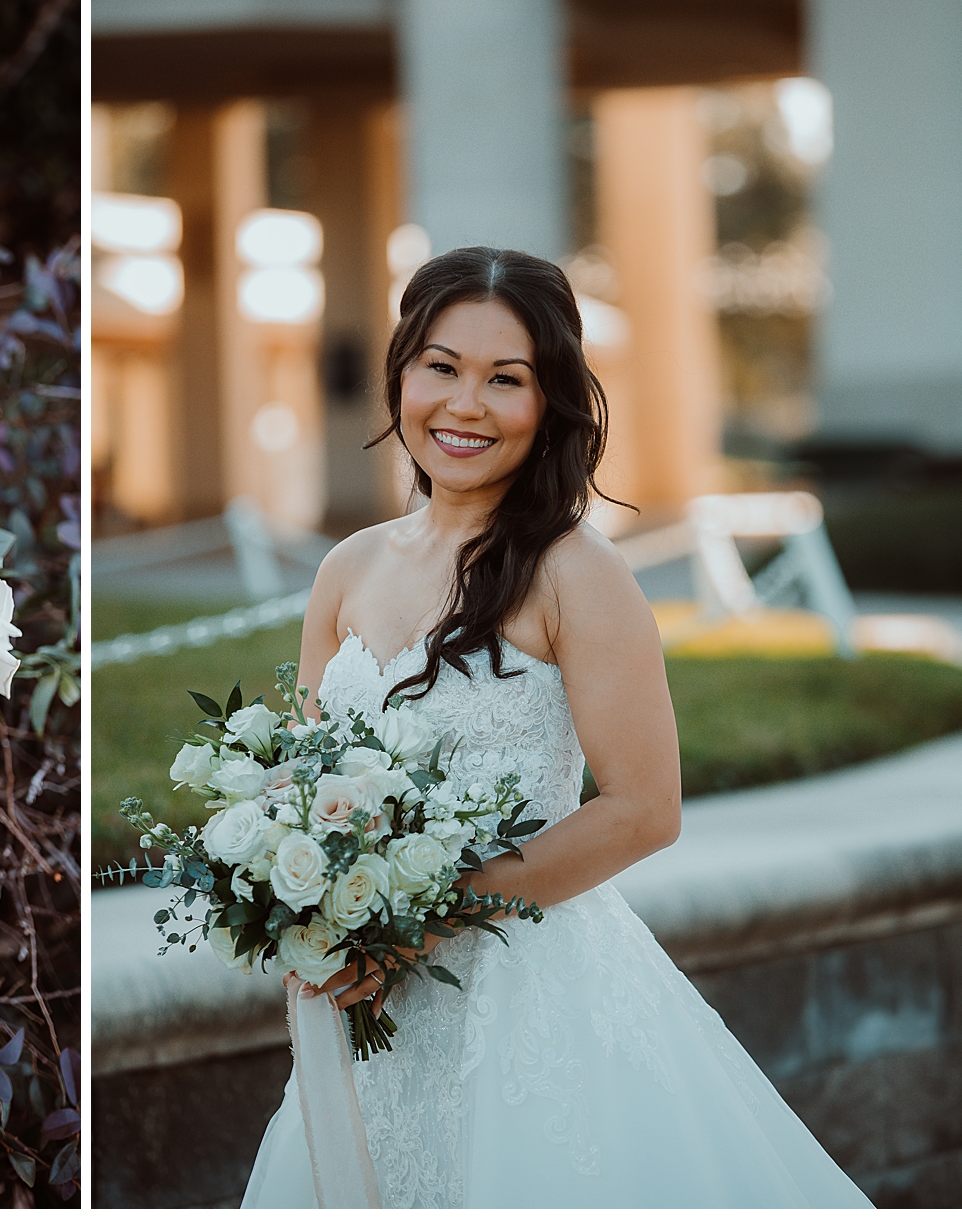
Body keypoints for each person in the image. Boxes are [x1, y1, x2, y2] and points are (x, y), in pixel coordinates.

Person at [240, 246, 870, 1208]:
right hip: (366, 1008)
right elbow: (308, 779)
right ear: (401, 373)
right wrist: (308, 902)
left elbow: (645, 808)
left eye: (507, 379)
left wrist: (427, 917)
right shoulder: (347, 570)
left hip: (527, 1003)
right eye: (442, 367)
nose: (465, 406)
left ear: (551, 403)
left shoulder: (578, 572)